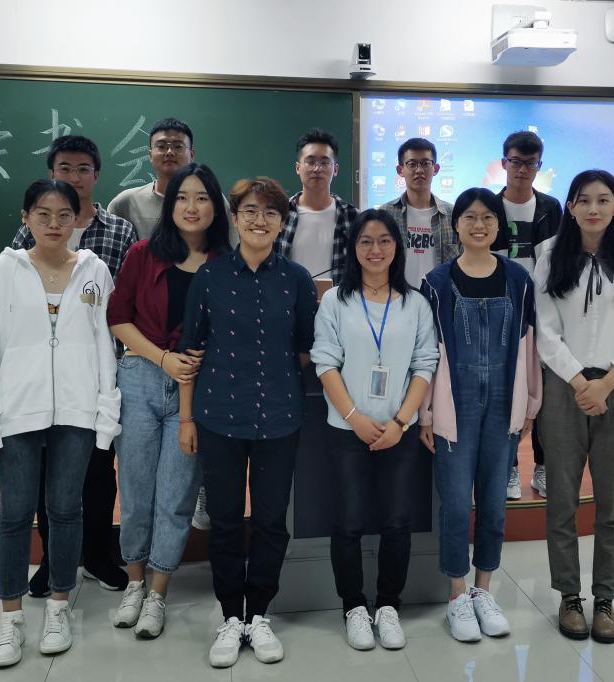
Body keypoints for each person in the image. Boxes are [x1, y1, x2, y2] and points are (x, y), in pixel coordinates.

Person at [0, 179, 120, 668]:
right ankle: (10, 617)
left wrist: (105, 409)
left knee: (66, 509)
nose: (54, 224)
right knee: (14, 514)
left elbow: (105, 345)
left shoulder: (94, 271)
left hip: (76, 411)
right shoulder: (1, 272)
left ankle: (58, 607)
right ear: (25, 217)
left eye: (64, 215)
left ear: (77, 220)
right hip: (17, 412)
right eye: (43, 214)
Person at [179, 176, 317, 668]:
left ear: (282, 224)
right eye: (251, 212)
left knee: (271, 522)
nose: (261, 221)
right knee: (223, 521)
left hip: (280, 417)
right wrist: (186, 418)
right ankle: (229, 616)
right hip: (218, 417)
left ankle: (258, 614)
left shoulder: (297, 280)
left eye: (271, 213)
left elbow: (306, 349)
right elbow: (190, 352)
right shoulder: (209, 277)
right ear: (235, 219)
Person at [107, 163, 232, 638]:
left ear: (215, 207)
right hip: (140, 378)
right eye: (182, 197)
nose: (192, 207)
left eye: (202, 197)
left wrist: (193, 363)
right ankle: (134, 583)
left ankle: (158, 592)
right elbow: (118, 318)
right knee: (136, 492)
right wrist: (163, 358)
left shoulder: (226, 263)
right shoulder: (143, 254)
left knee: (177, 496)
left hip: (196, 389)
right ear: (170, 204)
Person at [534, 169, 614, 645]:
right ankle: (569, 596)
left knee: (613, 504)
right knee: (561, 501)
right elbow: (545, 331)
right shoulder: (549, 255)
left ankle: (605, 597)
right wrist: (578, 381)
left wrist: (606, 383)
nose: (593, 208)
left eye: (603, 200)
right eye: (583, 200)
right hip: (564, 389)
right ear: (569, 207)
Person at [11, 135, 137, 596]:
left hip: (99, 368)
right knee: (49, 471)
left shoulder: (120, 230)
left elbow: (128, 298)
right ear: (51, 172)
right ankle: (53, 560)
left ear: (96, 175)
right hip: (44, 372)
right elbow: (14, 294)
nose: (74, 176)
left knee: (99, 469)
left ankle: (99, 555)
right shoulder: (30, 230)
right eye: (64, 168)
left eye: (83, 168)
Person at [311, 209, 438, 651]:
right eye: (365, 241)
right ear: (353, 248)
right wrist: (354, 418)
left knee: (397, 522)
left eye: (384, 240)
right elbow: (325, 362)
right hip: (347, 430)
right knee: (347, 523)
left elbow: (425, 364)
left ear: (397, 247)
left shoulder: (415, 303)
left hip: (398, 432)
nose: (375, 249)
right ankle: (353, 607)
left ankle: (387, 605)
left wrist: (401, 421)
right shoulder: (335, 301)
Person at [419, 187, 541, 643]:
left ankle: (483, 590)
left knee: (493, 503)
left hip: (504, 407)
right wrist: (426, 413)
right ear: (456, 226)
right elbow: (427, 352)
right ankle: (457, 595)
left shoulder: (519, 279)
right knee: (455, 504)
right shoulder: (436, 282)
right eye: (469, 217)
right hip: (455, 406)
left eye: (488, 217)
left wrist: (530, 405)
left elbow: (529, 346)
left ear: (498, 226)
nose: (479, 225)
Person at [493, 130, 562, 501]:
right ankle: (508, 468)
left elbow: (561, 262)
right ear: (504, 163)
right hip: (501, 312)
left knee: (544, 393)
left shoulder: (552, 208)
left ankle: (543, 466)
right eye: (516, 162)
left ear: (539, 166)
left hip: (543, 312)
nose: (522, 170)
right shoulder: (488, 206)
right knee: (507, 391)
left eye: (530, 163)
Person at [275, 128, 358, 283]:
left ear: (335, 169)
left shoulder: (353, 217)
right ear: (298, 168)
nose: (317, 169)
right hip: (290, 297)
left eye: (325, 162)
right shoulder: (280, 214)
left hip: (337, 297)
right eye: (310, 161)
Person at [378, 137, 457, 287]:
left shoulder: (452, 215)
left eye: (426, 163)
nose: (419, 170)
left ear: (436, 169)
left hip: (439, 297)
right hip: (397, 295)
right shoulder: (385, 214)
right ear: (400, 170)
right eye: (412, 164)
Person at [107, 118, 195, 238]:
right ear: (150, 155)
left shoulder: (210, 201)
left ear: (191, 155)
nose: (169, 152)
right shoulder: (125, 203)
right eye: (161, 146)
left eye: (178, 146)